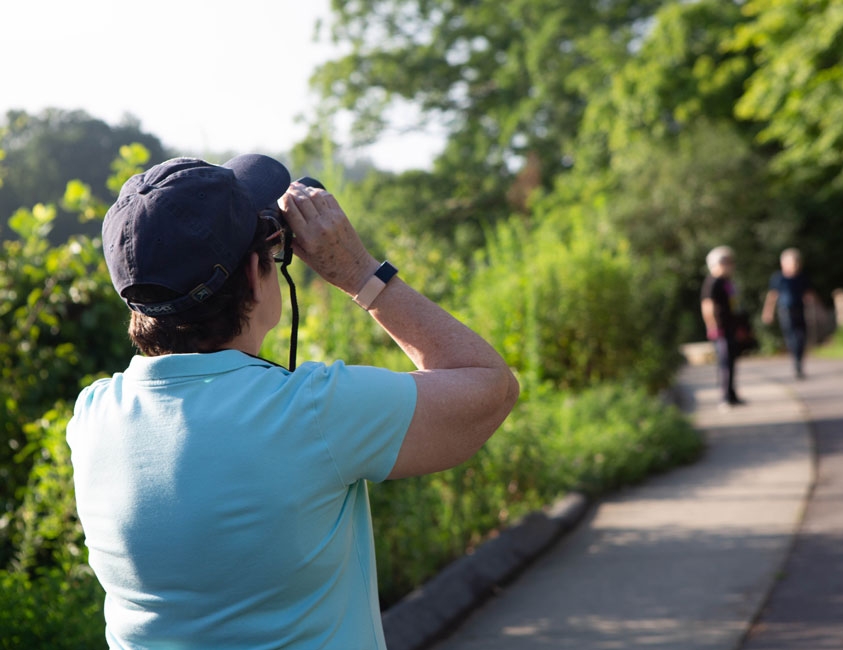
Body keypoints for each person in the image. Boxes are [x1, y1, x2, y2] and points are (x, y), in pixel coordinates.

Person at [66, 154, 519, 650]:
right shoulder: (312, 415)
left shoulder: (92, 416)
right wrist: (360, 273)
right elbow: (490, 387)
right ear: (254, 272)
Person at [700, 245, 745, 408]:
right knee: (724, 363)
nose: (730, 265)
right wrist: (712, 326)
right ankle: (724, 398)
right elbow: (707, 305)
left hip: (731, 327)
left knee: (732, 362)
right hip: (721, 329)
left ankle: (732, 395)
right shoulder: (712, 282)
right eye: (726, 262)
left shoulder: (727, 282)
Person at [762, 247, 814, 379]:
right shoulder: (778, 278)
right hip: (785, 311)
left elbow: (808, 295)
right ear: (783, 263)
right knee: (792, 338)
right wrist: (768, 312)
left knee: (801, 338)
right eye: (793, 262)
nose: (796, 265)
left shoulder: (802, 277)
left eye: (797, 262)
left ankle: (799, 362)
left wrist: (818, 310)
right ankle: (795, 362)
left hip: (800, 310)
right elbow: (772, 296)